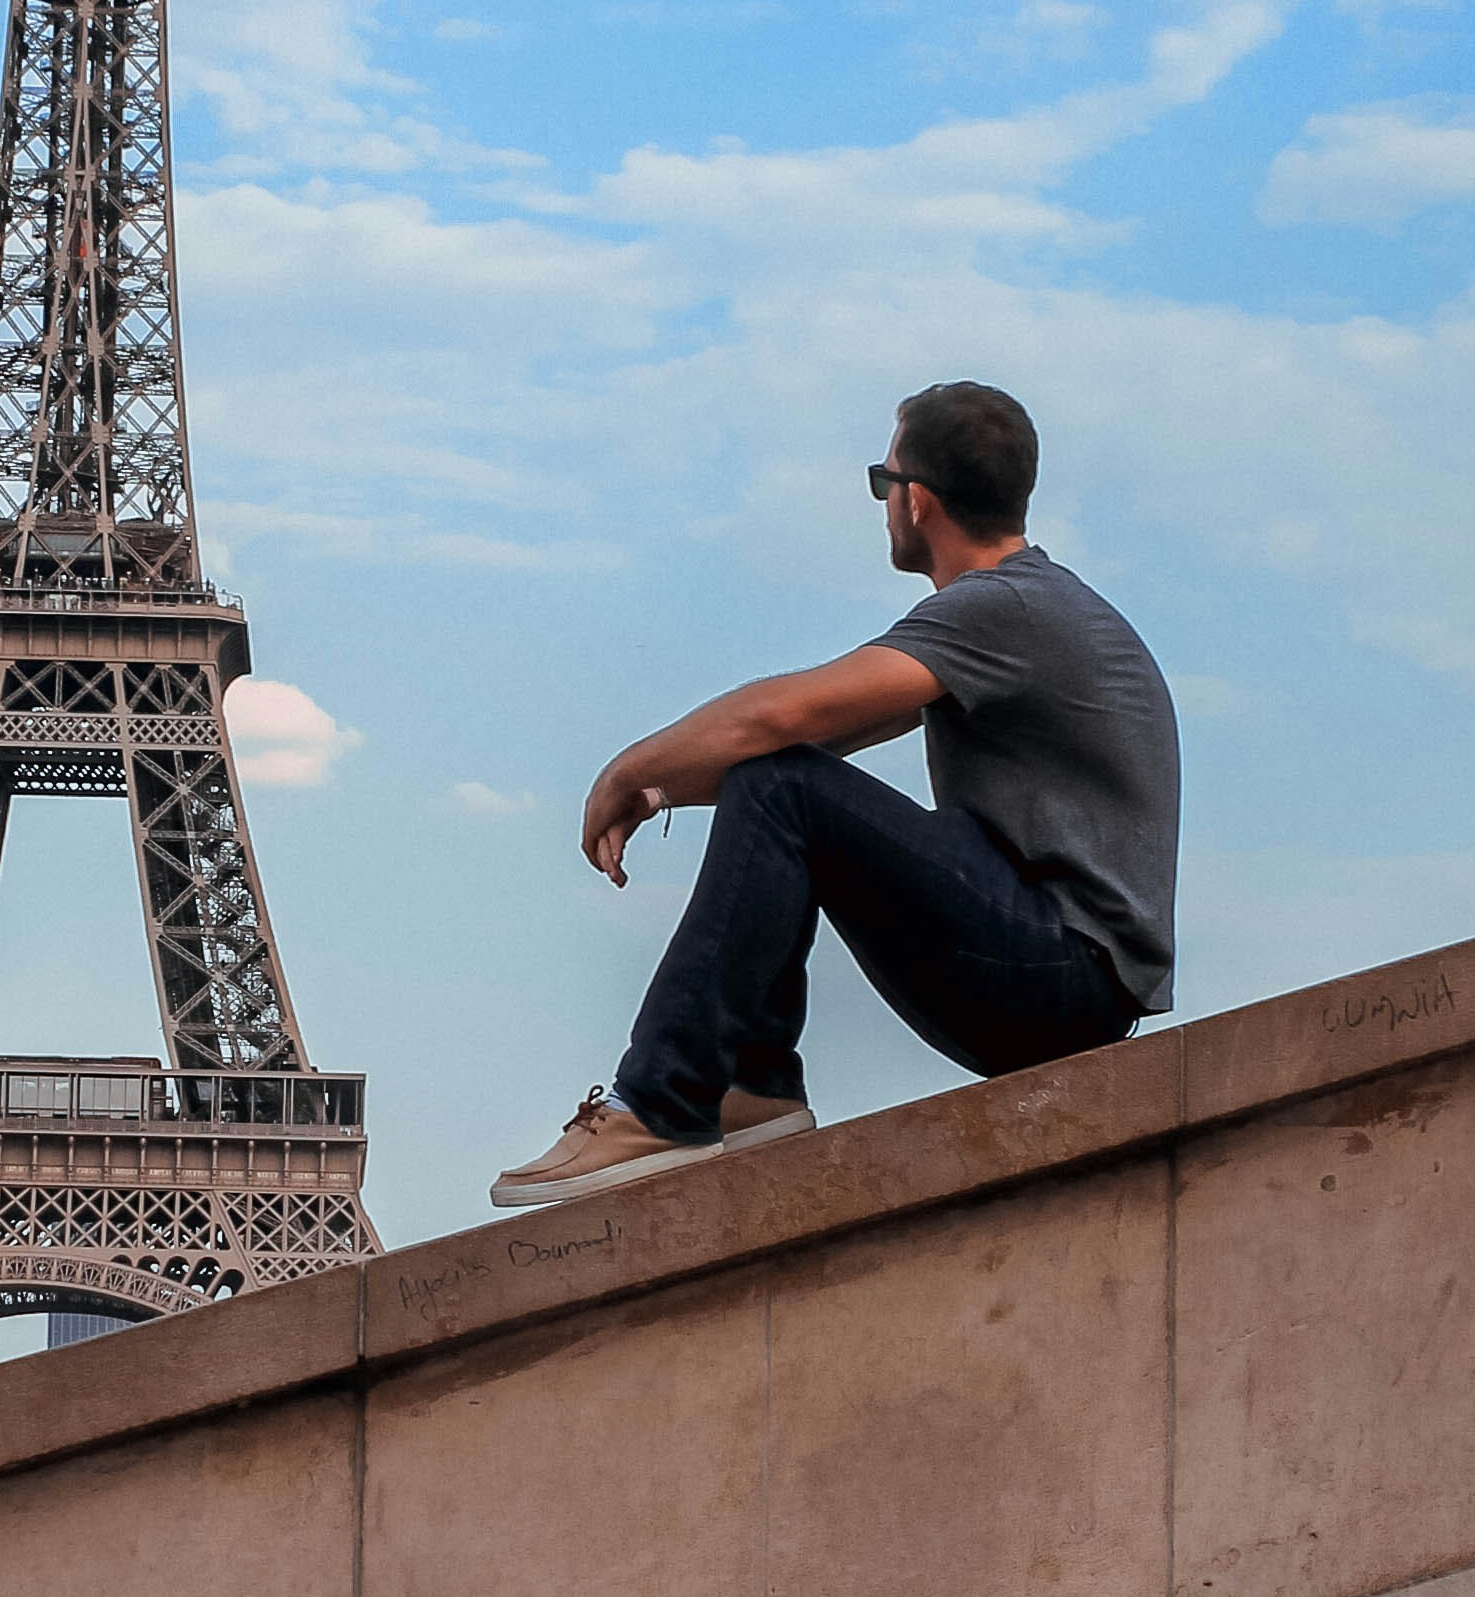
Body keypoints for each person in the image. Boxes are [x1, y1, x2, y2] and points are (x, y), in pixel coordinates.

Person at [490, 377, 1178, 1208]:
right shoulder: (1020, 615)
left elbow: (783, 716)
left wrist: (628, 771)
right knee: (781, 779)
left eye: (881, 482)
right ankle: (749, 1086)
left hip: (1063, 973)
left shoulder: (1004, 610)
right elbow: (817, 738)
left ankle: (668, 1101)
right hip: (1065, 977)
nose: (882, 503)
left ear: (916, 500)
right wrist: (667, 790)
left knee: (781, 781)